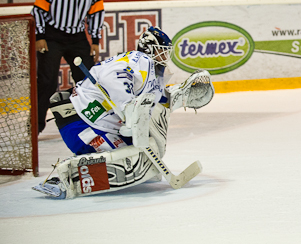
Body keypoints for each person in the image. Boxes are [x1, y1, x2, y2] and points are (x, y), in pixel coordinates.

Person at [32, 27, 214, 199]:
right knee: (130, 159)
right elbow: (112, 77)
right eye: (161, 50)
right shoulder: (139, 60)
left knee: (144, 151)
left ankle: (102, 168)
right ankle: (68, 175)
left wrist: (178, 96)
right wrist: (128, 106)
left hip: (93, 123)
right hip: (80, 123)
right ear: (149, 49)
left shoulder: (152, 70)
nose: (165, 55)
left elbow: (158, 99)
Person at [31, 0, 105, 134]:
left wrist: (95, 40)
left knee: (87, 79)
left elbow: (96, 11)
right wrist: (40, 35)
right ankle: (36, 125)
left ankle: (91, 121)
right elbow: (38, 9)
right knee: (47, 82)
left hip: (77, 38)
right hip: (52, 36)